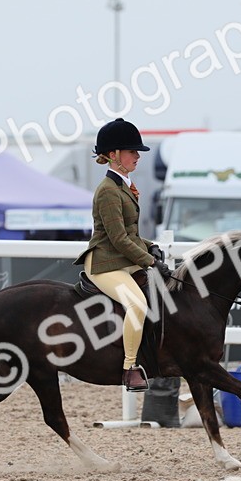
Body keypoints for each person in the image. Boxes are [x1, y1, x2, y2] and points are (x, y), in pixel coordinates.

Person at [73, 118, 171, 391]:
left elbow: (129, 232)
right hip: (105, 263)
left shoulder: (123, 186)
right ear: (114, 155)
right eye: (131, 152)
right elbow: (117, 239)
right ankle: (130, 367)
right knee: (137, 305)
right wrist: (149, 261)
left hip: (123, 260)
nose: (137, 157)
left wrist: (149, 245)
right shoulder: (107, 191)